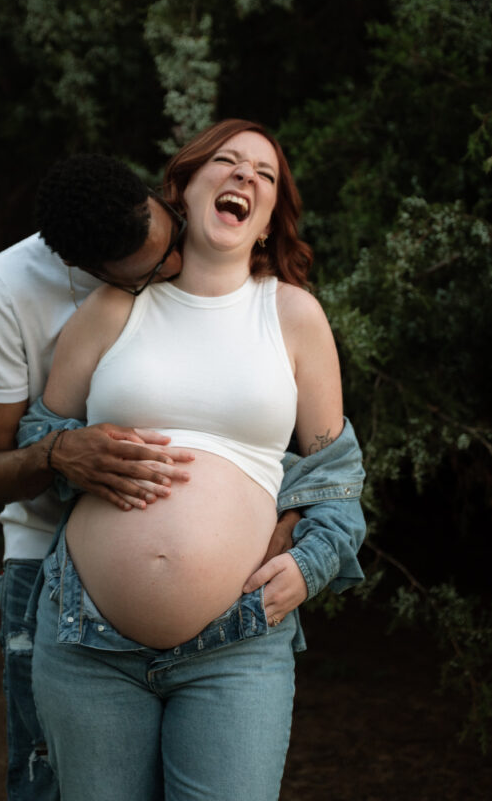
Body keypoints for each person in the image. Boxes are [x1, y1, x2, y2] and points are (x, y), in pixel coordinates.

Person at [28, 119, 364, 801]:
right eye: (227, 162)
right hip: (87, 642)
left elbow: (336, 477)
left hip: (236, 645)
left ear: (267, 222)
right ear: (180, 188)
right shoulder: (110, 308)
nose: (245, 177)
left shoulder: (292, 316)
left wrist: (308, 565)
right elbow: (39, 439)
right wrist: (65, 454)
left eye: (264, 176)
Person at [0, 153, 308, 800]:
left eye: (169, 236)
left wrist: (288, 518)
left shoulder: (250, 293)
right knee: (43, 785)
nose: (173, 262)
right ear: (91, 273)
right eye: (154, 266)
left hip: (228, 631)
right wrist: (60, 454)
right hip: (54, 573)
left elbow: (259, 427)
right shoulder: (7, 293)